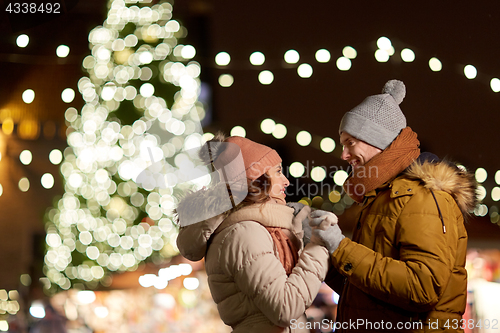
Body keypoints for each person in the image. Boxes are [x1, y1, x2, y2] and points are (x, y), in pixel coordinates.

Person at [308, 80, 478, 332]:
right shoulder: (383, 197)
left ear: (377, 140)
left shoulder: (423, 196)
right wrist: (322, 248)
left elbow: (423, 287)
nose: (344, 155)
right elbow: (366, 291)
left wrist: (341, 247)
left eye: (350, 142)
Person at [175, 134, 330, 333]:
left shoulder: (262, 229)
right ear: (258, 180)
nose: (286, 181)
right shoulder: (244, 234)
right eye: (278, 172)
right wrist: (319, 245)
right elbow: (285, 309)